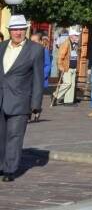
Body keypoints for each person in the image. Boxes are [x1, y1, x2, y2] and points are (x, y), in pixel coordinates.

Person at [0, 15, 44, 182]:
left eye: (21, 29)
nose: (18, 32)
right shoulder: (1, 47)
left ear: (26, 30)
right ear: (9, 31)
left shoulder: (35, 50)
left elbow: (38, 79)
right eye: (14, 29)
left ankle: (10, 169)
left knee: (14, 135)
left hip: (20, 100)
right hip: (1, 98)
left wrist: (36, 105)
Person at [52, 30, 80, 106]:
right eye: (76, 35)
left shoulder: (75, 44)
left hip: (73, 67)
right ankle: (55, 95)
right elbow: (60, 56)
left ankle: (68, 101)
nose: (77, 37)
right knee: (67, 83)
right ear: (71, 36)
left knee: (72, 85)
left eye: (77, 35)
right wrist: (60, 66)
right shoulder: (66, 43)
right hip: (66, 67)